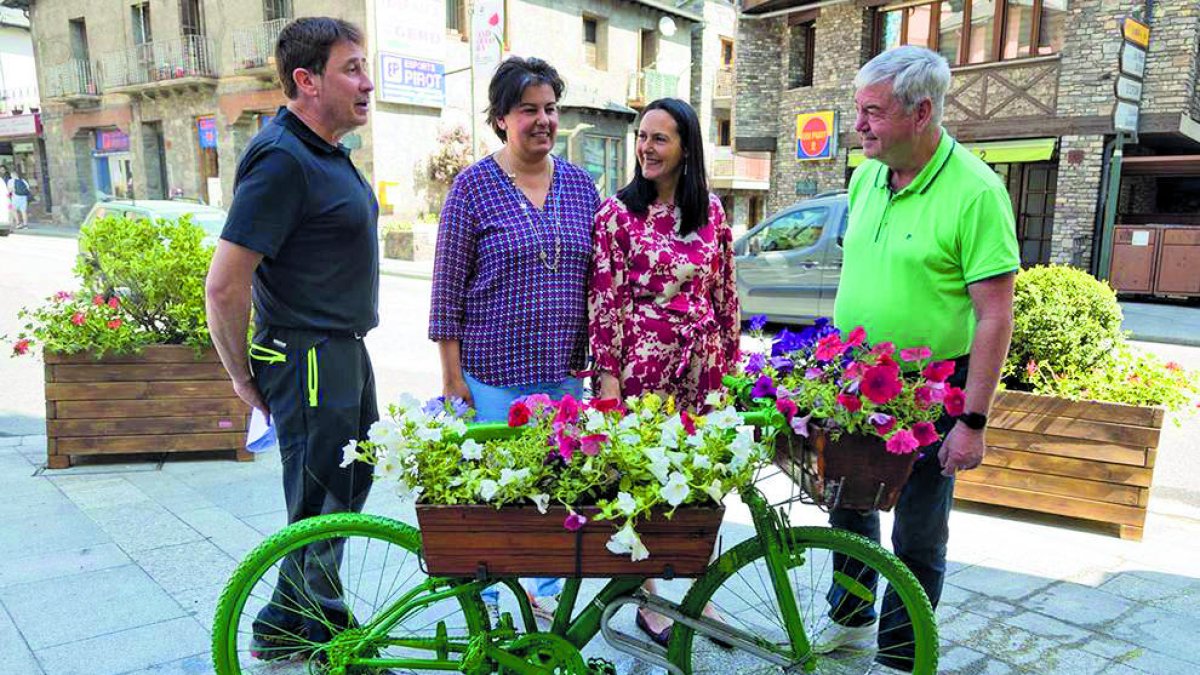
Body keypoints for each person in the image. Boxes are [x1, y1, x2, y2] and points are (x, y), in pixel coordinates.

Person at [823, 46, 1019, 673]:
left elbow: (995, 315)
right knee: (847, 504)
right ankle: (851, 616)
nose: (859, 126)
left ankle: (902, 654)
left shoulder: (977, 192)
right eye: (859, 110)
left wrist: (975, 422)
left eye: (872, 112)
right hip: (856, 378)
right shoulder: (866, 176)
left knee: (918, 531)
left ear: (921, 112)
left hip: (933, 388)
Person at [204, 17, 379, 662]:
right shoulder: (283, 158)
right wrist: (241, 377)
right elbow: (224, 285)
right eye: (351, 69)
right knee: (322, 500)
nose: (367, 82)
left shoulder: (324, 151)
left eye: (364, 66)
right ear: (306, 81)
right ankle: (327, 631)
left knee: (347, 484)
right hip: (305, 353)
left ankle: (283, 620)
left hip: (339, 349)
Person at [428, 56, 599, 625]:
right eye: (529, 109)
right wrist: (452, 380)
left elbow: (599, 279)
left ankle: (544, 601)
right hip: (494, 375)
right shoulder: (473, 187)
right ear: (501, 118)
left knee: (555, 491)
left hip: (566, 373)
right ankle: (501, 606)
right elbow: (446, 292)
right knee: (503, 497)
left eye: (551, 109)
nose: (543, 120)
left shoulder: (580, 186)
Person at [588, 97, 739, 644]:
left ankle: (705, 595)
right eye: (642, 137)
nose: (646, 148)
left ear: (685, 148)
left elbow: (725, 295)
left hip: (702, 368)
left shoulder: (713, 213)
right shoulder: (616, 215)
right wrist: (607, 381)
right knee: (644, 480)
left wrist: (729, 368)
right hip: (641, 369)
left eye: (660, 138)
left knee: (703, 481)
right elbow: (606, 302)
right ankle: (647, 599)